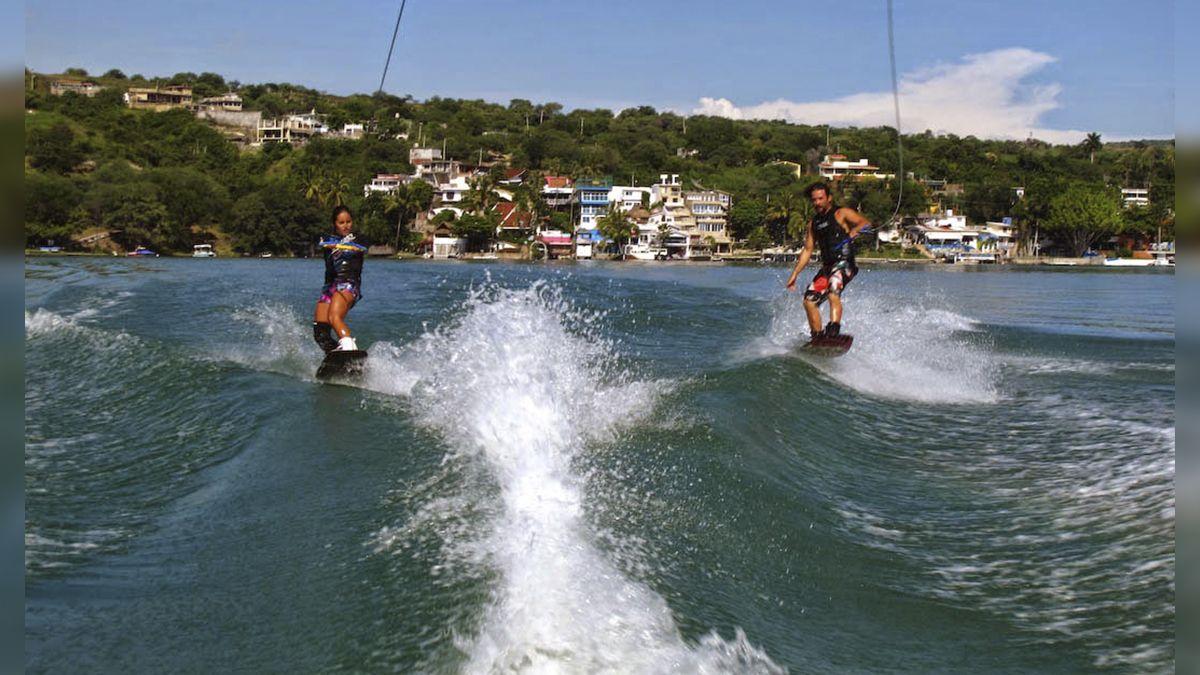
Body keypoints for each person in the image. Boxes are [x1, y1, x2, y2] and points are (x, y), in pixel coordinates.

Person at [785, 182, 873, 338]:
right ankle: (817, 337)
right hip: (827, 267)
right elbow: (807, 250)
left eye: (820, 199)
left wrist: (854, 230)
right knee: (809, 301)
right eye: (814, 200)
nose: (817, 203)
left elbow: (865, 223)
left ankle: (833, 329)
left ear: (829, 198)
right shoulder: (813, 224)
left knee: (834, 290)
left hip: (845, 264)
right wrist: (795, 274)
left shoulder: (841, 213)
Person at [312, 205, 367, 352]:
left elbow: (362, 246)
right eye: (341, 223)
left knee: (334, 317)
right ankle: (337, 357)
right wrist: (331, 244)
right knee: (320, 333)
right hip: (330, 286)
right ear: (335, 224)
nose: (346, 226)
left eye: (348, 222)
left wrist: (351, 247)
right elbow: (320, 241)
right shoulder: (327, 239)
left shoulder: (358, 238)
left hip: (348, 284)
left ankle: (350, 350)